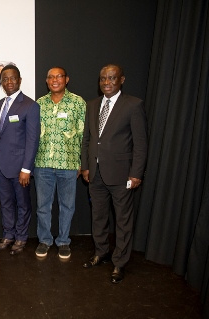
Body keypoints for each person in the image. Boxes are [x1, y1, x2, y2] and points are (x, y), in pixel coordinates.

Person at [81, 64, 148, 284]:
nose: (106, 83)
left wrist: (136, 173)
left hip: (122, 175)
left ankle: (119, 262)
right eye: (102, 79)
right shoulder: (92, 105)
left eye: (111, 78)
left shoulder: (133, 105)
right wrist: (86, 166)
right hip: (96, 173)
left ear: (121, 80)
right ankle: (101, 253)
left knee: (122, 220)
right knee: (98, 217)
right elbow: (88, 140)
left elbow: (140, 144)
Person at [34, 67, 86, 259]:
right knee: (43, 206)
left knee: (67, 206)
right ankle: (45, 240)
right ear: (47, 81)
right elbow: (33, 136)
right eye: (51, 77)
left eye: (59, 76)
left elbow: (83, 135)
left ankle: (63, 241)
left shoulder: (78, 103)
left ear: (66, 79)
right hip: (43, 164)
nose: (55, 80)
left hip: (69, 164)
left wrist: (83, 162)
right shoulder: (39, 104)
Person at [0, 65, 41, 255]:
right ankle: (8, 235)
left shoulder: (30, 105)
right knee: (5, 203)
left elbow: (32, 140)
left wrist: (26, 169)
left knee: (22, 204)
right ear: (1, 82)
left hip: (20, 168)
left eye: (12, 78)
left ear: (19, 80)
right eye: (5, 79)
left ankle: (21, 237)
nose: (9, 82)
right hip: (1, 167)